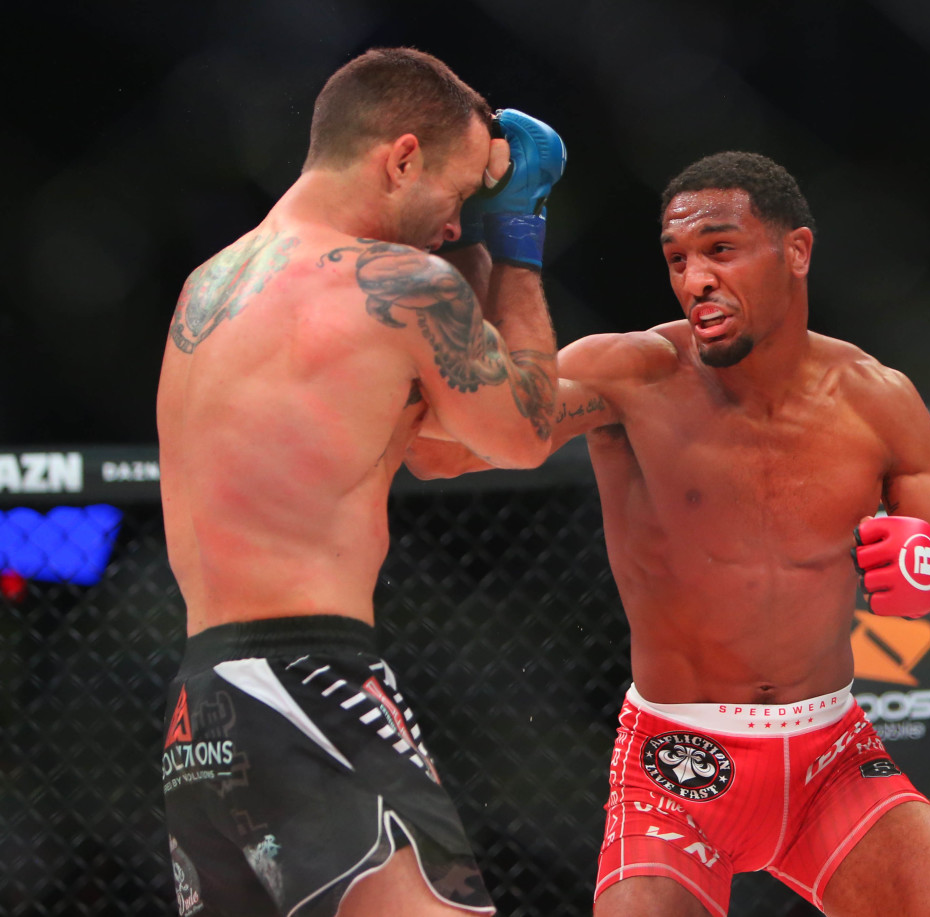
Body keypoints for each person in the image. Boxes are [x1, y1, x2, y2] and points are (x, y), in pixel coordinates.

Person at [408, 151, 930, 917]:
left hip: (832, 757)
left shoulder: (876, 401)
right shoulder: (631, 375)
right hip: (674, 765)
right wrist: (496, 249)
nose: (696, 280)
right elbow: (439, 451)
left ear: (796, 251)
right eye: (677, 259)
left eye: (720, 250)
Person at [156, 46, 567, 917]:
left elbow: (424, 434)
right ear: (402, 157)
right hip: (313, 684)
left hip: (201, 711)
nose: (456, 224)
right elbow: (522, 430)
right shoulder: (401, 284)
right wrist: (517, 231)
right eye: (456, 195)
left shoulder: (207, 288)